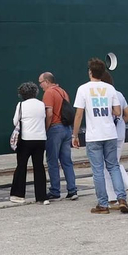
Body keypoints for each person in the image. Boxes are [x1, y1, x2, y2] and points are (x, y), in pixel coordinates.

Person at [74, 59, 128, 215]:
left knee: (98, 171)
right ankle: (122, 199)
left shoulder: (83, 89)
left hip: (94, 136)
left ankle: (103, 205)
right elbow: (118, 112)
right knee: (113, 167)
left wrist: (74, 134)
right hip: (110, 134)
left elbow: (79, 114)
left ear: (90, 72)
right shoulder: (110, 89)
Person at [101, 72, 128, 208]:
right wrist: (120, 123)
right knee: (114, 164)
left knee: (109, 167)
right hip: (121, 134)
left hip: (109, 135)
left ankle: (116, 197)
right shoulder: (119, 94)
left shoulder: (103, 94)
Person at [39, 72, 79, 201]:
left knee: (52, 161)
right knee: (66, 161)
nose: (40, 86)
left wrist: (46, 129)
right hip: (66, 128)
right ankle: (72, 190)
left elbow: (49, 113)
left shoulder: (49, 93)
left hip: (55, 128)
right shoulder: (63, 92)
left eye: (41, 82)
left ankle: (55, 191)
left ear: (46, 81)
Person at [9, 82, 49, 204]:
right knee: (39, 167)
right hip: (41, 138)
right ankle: (42, 196)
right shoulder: (41, 104)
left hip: (26, 139)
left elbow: (15, 121)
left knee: (21, 166)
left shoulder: (21, 105)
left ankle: (18, 194)